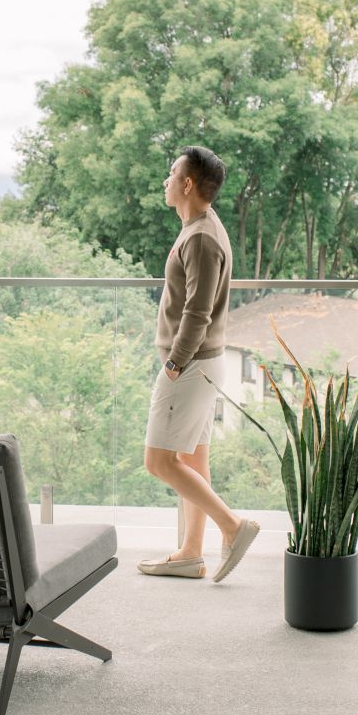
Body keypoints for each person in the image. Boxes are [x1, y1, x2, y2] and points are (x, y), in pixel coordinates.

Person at [137, 146, 260, 583]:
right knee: (192, 458)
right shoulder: (199, 228)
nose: (166, 180)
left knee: (160, 462)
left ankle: (233, 527)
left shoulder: (202, 238)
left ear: (187, 184)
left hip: (190, 367)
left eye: (172, 173)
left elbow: (197, 312)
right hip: (201, 365)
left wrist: (173, 364)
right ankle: (191, 553)